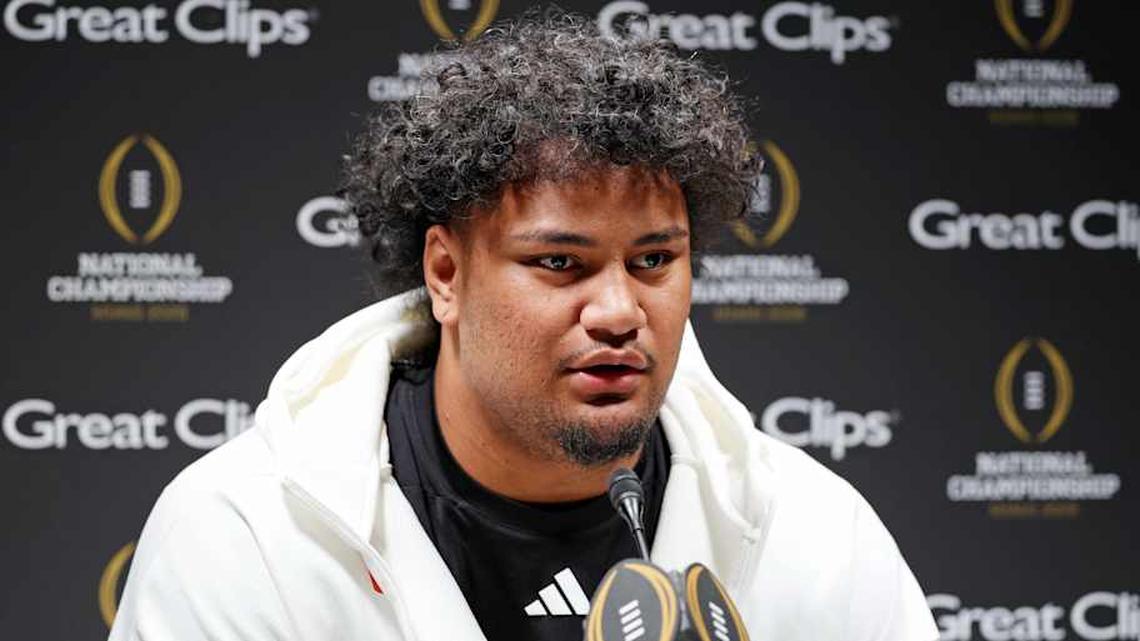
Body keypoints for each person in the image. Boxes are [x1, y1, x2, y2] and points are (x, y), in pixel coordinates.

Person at [109, 12, 937, 641]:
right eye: (560, 264)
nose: (618, 312)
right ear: (445, 273)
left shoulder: (815, 534)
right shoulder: (243, 535)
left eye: (654, 261)